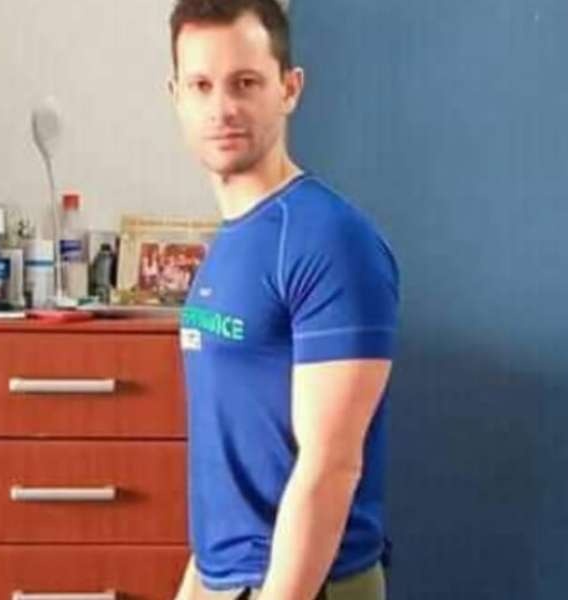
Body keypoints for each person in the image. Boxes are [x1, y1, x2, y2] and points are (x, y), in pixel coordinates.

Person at [167, 1, 400, 598]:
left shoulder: (329, 239)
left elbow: (331, 466)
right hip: (226, 579)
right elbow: (231, 453)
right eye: (201, 85)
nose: (222, 108)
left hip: (306, 584)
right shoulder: (232, 241)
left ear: (289, 89)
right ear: (176, 96)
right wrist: (197, 582)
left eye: (245, 83)